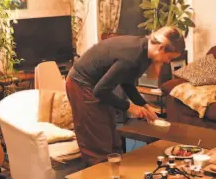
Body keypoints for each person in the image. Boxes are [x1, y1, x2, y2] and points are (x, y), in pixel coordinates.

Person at [66, 26, 186, 165]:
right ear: (161, 48)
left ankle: (115, 174)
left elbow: (127, 82)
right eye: (169, 57)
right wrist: (130, 107)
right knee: (97, 141)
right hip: (81, 84)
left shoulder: (145, 53)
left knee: (112, 137)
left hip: (98, 85)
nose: (168, 62)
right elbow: (100, 91)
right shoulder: (131, 56)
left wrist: (144, 105)